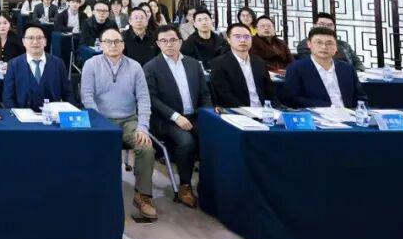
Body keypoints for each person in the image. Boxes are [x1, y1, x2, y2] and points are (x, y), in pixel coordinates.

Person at [80, 28, 158, 220]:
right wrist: (100, 122)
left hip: (129, 120)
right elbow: (87, 96)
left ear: (123, 44)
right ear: (101, 45)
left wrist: (142, 127)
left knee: (146, 148)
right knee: (101, 148)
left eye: (117, 41)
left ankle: (143, 196)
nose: (113, 45)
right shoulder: (91, 64)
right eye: (108, 41)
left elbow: (144, 99)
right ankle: (98, 194)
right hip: (101, 120)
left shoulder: (135, 67)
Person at [143, 25, 211, 208]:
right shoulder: (151, 67)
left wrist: (206, 114)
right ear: (158, 43)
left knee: (213, 136)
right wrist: (175, 117)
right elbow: (152, 99)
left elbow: (204, 94)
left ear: (180, 42)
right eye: (164, 41)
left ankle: (209, 183)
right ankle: (185, 186)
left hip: (194, 116)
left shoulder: (193, 64)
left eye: (173, 40)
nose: (169, 44)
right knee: (187, 142)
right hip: (166, 119)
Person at [282, 26, 367, 108]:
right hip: (317, 115)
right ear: (309, 44)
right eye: (319, 42)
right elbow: (292, 99)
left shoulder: (347, 68)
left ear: (336, 47)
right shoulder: (296, 68)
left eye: (329, 43)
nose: (324, 47)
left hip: (348, 114)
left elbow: (361, 97)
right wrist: (329, 107)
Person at [3, 24, 73, 109]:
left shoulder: (58, 64)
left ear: (45, 41)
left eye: (39, 38)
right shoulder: (13, 65)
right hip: (23, 115)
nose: (35, 42)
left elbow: (68, 94)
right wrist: (17, 114)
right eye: (30, 38)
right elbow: (8, 97)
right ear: (23, 42)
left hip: (52, 114)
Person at [208, 23, 278, 108]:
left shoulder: (259, 62)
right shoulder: (219, 63)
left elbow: (270, 92)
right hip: (237, 111)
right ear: (229, 40)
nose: (243, 40)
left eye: (246, 37)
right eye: (237, 37)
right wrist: (246, 111)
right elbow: (224, 95)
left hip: (264, 110)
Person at [294, 12, 364, 71]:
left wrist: (357, 72)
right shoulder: (305, 44)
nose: (326, 27)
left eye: (329, 25)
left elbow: (358, 63)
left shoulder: (344, 44)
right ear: (314, 25)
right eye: (322, 24)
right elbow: (313, 65)